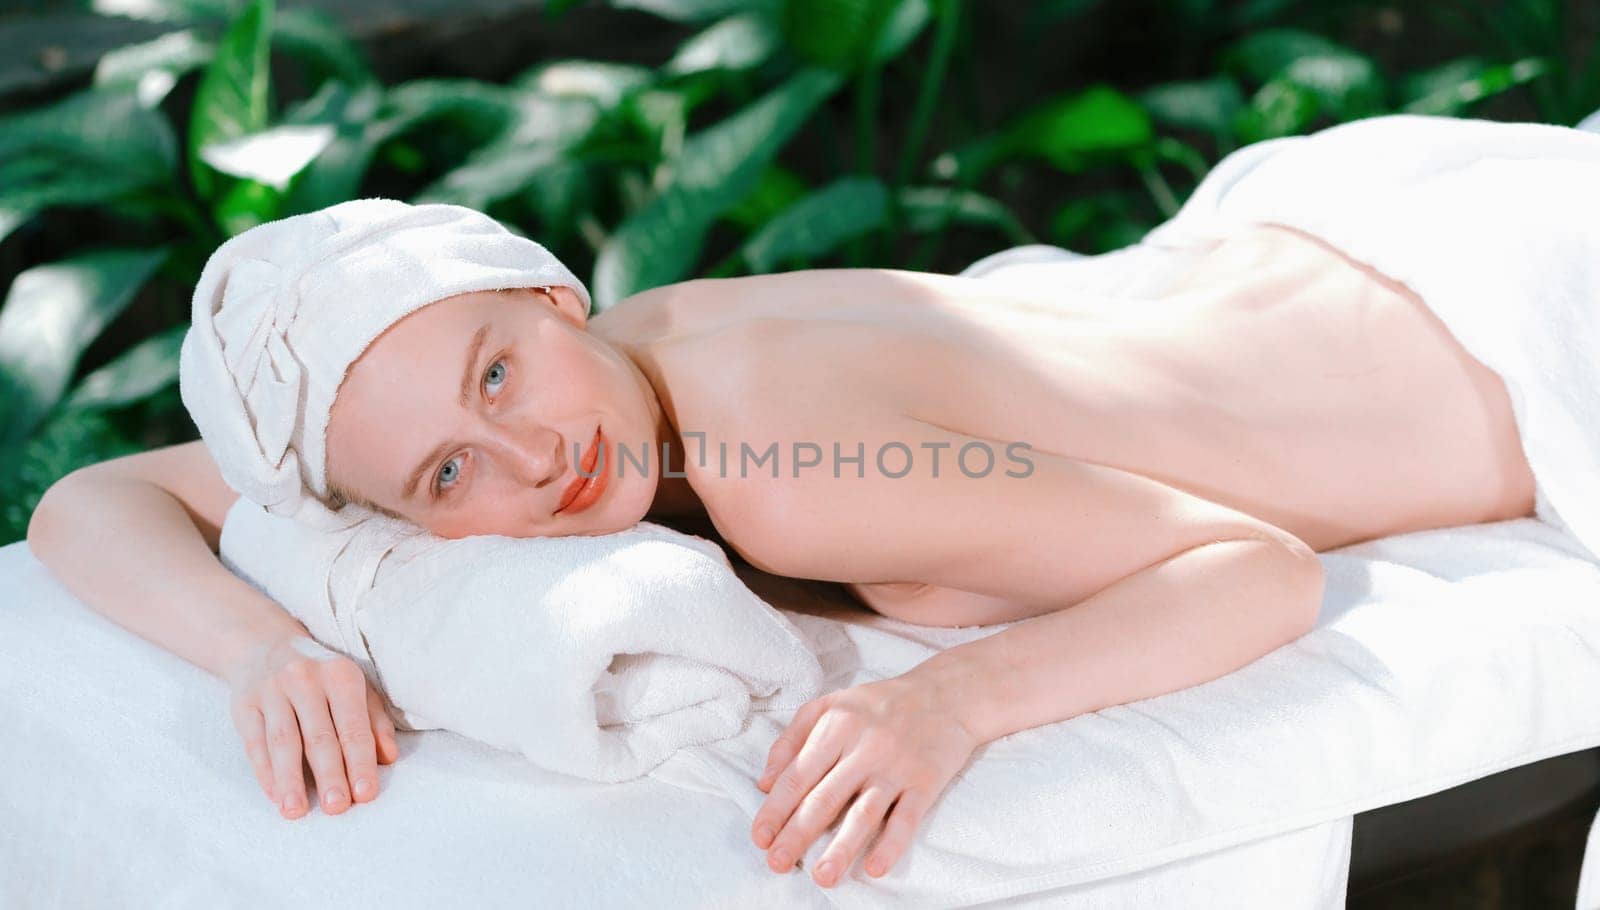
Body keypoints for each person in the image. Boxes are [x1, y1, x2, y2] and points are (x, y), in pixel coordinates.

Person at [25, 137, 1538, 889]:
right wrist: (253, 654)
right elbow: (93, 501)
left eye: (499, 370)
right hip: (1342, 224)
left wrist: (949, 703)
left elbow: (1251, 569)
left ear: (546, 288)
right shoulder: (587, 352)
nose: (523, 455)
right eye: (440, 480)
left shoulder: (790, 482)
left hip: (1512, 322)